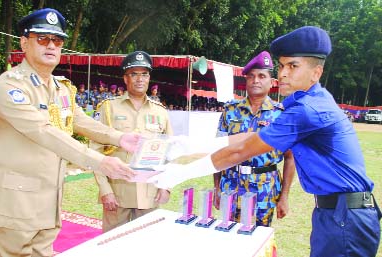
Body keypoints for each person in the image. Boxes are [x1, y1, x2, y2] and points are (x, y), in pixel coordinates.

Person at [149, 26, 381, 256]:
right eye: (281, 66)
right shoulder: (310, 101)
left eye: (293, 66)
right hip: (337, 213)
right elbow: (253, 137)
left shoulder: (308, 110)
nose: (283, 74)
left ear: (316, 73)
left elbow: (241, 151)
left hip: (344, 216)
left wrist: (179, 174)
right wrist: (191, 145)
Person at [0, 8, 139, 257]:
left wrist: (119, 138)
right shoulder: (10, 85)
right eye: (42, 39)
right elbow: (43, 131)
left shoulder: (60, 87)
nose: (51, 46)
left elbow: (80, 121)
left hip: (48, 202)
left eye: (57, 40)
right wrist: (99, 161)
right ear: (24, 43)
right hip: (13, 205)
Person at [92, 50, 172, 232]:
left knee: (146, 246)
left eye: (144, 74)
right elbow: (95, 150)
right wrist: (105, 190)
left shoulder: (160, 111)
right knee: (112, 246)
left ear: (149, 77)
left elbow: (168, 153)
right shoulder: (109, 108)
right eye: (134, 74)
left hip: (149, 193)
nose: (140, 79)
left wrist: (166, 186)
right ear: (125, 78)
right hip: (117, 192)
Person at [213, 51, 295, 226]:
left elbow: (290, 157)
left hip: (265, 187)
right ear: (246, 81)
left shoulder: (281, 115)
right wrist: (216, 187)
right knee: (230, 236)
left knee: (259, 238)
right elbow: (217, 150)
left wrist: (285, 196)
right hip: (231, 184)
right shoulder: (230, 110)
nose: (256, 80)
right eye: (251, 76)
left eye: (261, 76)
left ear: (271, 82)